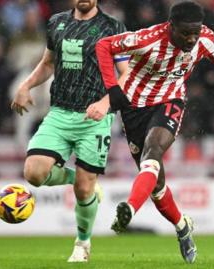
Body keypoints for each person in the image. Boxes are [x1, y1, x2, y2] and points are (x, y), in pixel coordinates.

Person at [92, 0, 214, 263]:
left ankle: (130, 209)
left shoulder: (205, 38)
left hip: (170, 102)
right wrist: (112, 88)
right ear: (171, 27)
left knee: (153, 152)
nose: (192, 38)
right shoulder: (147, 38)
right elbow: (104, 45)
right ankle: (182, 226)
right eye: (186, 33)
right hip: (134, 108)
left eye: (196, 31)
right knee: (157, 187)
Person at [11, 0, 129, 263]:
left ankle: (82, 243)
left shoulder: (112, 27)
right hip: (60, 113)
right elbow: (48, 63)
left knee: (84, 191)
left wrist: (106, 102)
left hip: (95, 118)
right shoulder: (56, 22)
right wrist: (26, 85)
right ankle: (78, 178)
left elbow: (126, 74)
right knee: (34, 173)